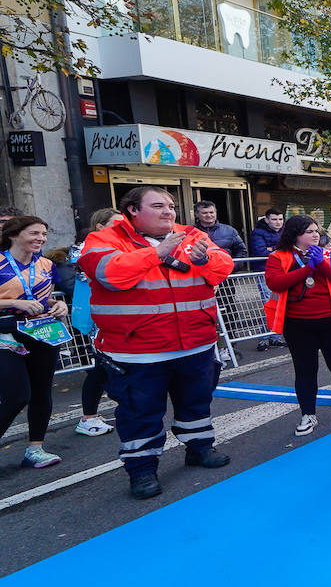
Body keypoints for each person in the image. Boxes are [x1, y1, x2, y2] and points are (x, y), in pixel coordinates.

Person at [78, 187, 235, 498]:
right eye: (158, 206)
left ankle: (200, 447)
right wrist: (158, 253)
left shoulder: (189, 234)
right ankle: (142, 470)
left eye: (171, 205)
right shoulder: (104, 240)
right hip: (137, 351)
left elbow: (223, 266)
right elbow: (109, 274)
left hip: (195, 343)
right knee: (139, 412)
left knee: (197, 401)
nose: (168, 211)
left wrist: (205, 261)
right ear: (133, 210)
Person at [264, 215, 331, 436]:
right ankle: (307, 414)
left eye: (316, 230)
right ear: (295, 234)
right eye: (309, 231)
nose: (316, 234)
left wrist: (321, 263)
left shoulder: (327, 253)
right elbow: (275, 283)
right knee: (305, 370)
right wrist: (307, 269)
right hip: (297, 324)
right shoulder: (278, 257)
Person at [0, 216, 68, 469]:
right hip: (6, 333)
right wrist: (13, 303)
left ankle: (35, 448)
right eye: (34, 233)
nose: (41, 238)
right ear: (13, 235)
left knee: (42, 391)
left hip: (42, 332)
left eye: (44, 234)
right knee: (17, 395)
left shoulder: (47, 265)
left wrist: (58, 304)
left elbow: (46, 296)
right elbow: (20, 298)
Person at [71, 208, 119, 436]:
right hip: (96, 317)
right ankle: (88, 417)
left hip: (119, 315)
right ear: (100, 226)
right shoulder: (84, 249)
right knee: (101, 367)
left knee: (117, 365)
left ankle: (122, 407)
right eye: (115, 223)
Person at [250, 208, 286, 351]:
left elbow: (289, 248)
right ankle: (265, 337)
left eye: (280, 219)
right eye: (274, 219)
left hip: (282, 271)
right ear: (267, 220)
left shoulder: (285, 231)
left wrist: (273, 248)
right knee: (269, 304)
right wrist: (279, 249)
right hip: (264, 271)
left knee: (279, 304)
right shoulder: (257, 233)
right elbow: (260, 251)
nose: (278, 222)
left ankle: (275, 337)